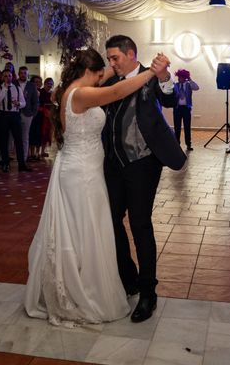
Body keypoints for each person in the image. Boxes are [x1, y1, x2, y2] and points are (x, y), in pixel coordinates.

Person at [25, 48, 171, 325]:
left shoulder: (71, 89)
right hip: (82, 173)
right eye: (101, 73)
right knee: (86, 229)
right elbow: (115, 93)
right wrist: (151, 71)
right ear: (90, 72)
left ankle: (96, 280)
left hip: (83, 167)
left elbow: (108, 83)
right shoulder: (81, 94)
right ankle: (83, 289)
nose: (104, 78)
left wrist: (140, 72)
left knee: (82, 229)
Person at [102, 35, 186, 322]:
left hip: (143, 161)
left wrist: (163, 76)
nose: (111, 63)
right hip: (113, 162)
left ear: (130, 54)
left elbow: (170, 99)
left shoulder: (150, 77)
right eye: (109, 58)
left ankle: (148, 293)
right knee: (111, 220)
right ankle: (130, 277)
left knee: (139, 223)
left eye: (115, 57)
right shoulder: (111, 82)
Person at [0, 69, 27, 173]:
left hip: (15, 114)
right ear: (2, 77)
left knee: (18, 140)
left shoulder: (17, 88)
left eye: (9, 76)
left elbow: (23, 102)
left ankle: (22, 164)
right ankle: (5, 164)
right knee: (3, 140)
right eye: (6, 76)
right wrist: (5, 88)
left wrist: (19, 104)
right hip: (3, 115)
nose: (8, 78)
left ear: (12, 77)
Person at [172, 69, 199, 151]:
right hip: (177, 108)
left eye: (181, 77)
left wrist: (190, 79)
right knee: (177, 127)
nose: (179, 79)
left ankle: (188, 144)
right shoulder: (175, 85)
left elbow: (197, 88)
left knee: (187, 127)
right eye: (178, 77)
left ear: (185, 77)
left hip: (186, 108)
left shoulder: (189, 85)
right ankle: (177, 144)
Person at [18, 66, 38, 171]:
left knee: (25, 137)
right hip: (15, 113)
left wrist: (33, 113)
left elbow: (35, 101)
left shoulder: (31, 85)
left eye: (25, 73)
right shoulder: (14, 83)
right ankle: (14, 158)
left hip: (27, 114)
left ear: (27, 74)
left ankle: (24, 159)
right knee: (13, 137)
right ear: (18, 74)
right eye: (21, 73)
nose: (23, 75)